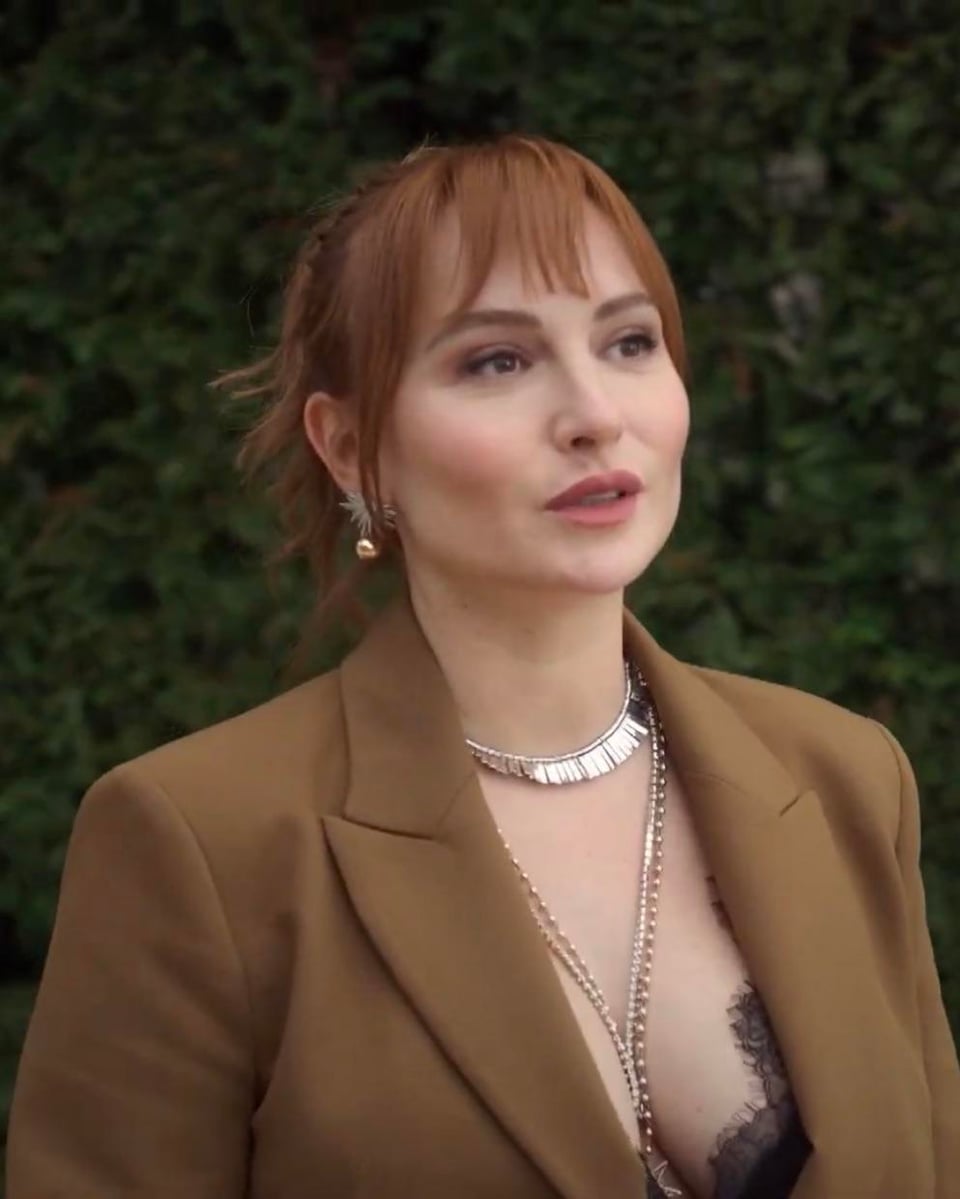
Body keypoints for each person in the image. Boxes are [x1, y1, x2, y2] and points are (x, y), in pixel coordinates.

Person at [6, 134, 959, 1199]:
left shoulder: (845, 775)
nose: (596, 415)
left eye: (630, 341)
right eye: (497, 360)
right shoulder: (197, 839)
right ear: (351, 448)